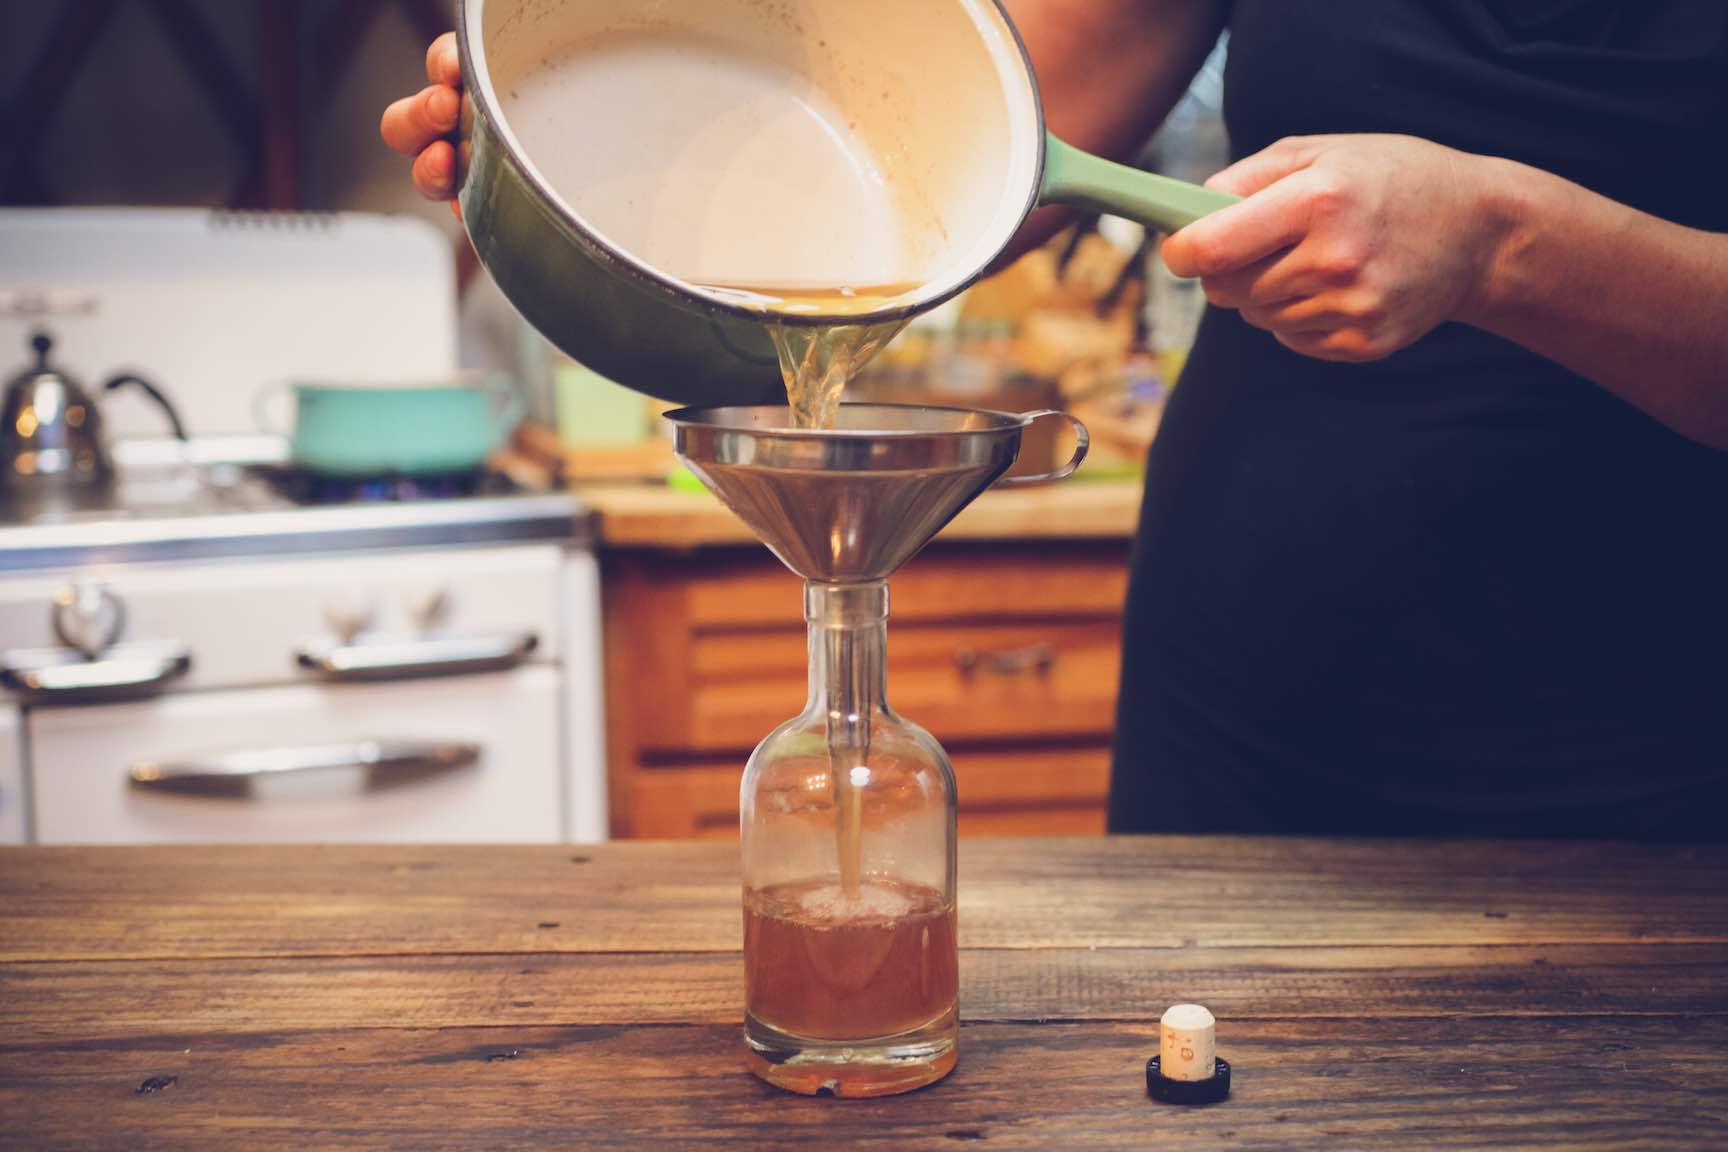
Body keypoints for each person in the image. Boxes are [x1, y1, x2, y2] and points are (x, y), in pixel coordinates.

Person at [384, 3, 1728, 841]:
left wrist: (1503, 243)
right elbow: (988, 141)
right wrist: (604, 173)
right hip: (1254, 690)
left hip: (1650, 730)